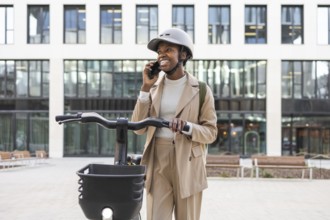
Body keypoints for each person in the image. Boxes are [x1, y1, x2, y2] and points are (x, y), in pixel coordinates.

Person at [131, 28, 217, 220]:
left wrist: (187, 126)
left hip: (188, 161)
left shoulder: (201, 89)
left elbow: (211, 132)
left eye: (169, 49)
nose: (162, 54)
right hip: (157, 160)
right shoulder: (152, 88)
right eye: (160, 51)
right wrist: (145, 88)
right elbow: (138, 127)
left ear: (184, 54)